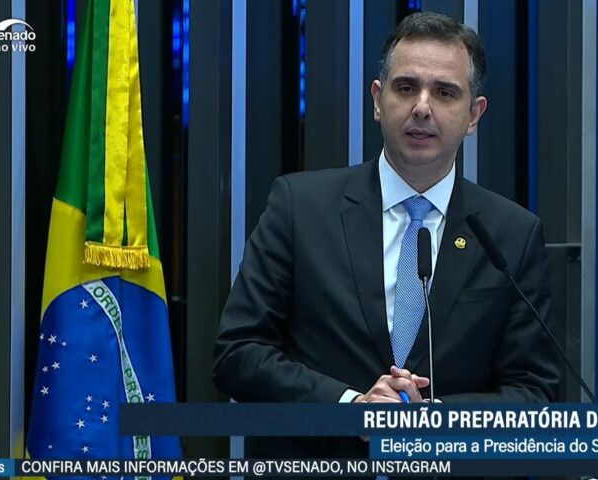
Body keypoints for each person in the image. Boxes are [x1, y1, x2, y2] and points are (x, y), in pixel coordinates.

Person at [213, 11, 560, 463]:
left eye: (445, 92)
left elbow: (535, 395)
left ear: (474, 114)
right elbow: (238, 353)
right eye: (405, 87)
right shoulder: (299, 207)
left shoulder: (512, 234)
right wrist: (351, 407)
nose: (422, 107)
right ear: (377, 100)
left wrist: (437, 422)